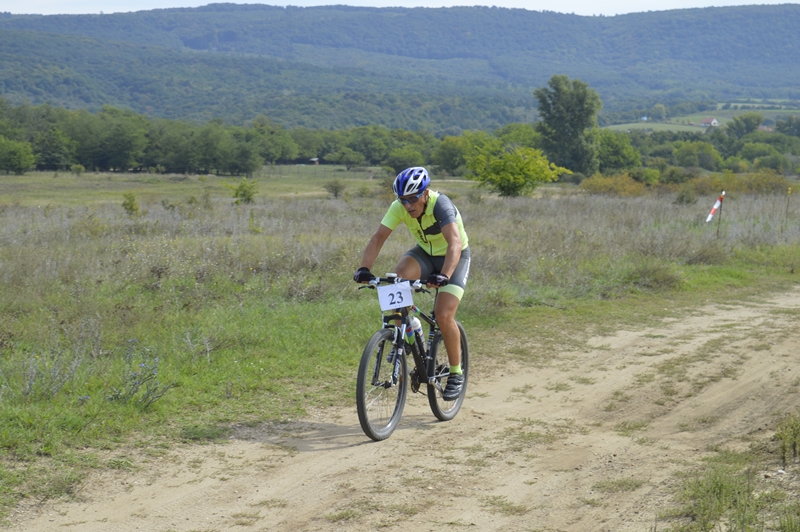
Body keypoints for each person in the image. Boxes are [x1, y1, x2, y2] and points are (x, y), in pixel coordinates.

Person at [354, 167, 471, 401]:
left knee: (443, 315)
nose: (408, 205)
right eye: (403, 200)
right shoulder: (399, 207)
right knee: (397, 278)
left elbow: (454, 243)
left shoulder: (441, 205)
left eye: (413, 198)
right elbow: (378, 238)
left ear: (425, 193)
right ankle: (408, 331)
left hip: (454, 257)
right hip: (425, 254)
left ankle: (456, 373)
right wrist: (364, 268)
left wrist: (445, 275)